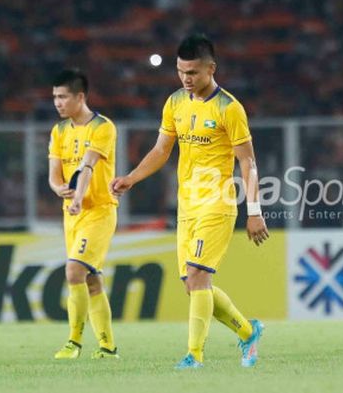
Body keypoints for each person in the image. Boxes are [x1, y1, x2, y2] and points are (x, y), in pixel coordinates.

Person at [110, 34, 269, 369]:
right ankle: (247, 331)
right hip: (188, 204)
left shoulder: (229, 108)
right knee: (192, 284)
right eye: (181, 71)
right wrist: (132, 177)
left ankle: (194, 355)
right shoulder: (175, 103)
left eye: (193, 72)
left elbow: (248, 162)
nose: (186, 78)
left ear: (211, 68)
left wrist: (253, 211)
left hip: (218, 201)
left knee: (198, 274)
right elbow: (161, 151)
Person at [48, 69, 119, 360]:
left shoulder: (103, 127)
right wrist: (59, 190)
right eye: (54, 97)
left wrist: (78, 196)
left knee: (74, 271)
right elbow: (53, 174)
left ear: (80, 97)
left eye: (63, 97)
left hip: (98, 212)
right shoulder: (59, 131)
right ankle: (107, 347)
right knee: (92, 280)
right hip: (72, 215)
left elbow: (87, 166)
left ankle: (73, 343)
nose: (57, 103)